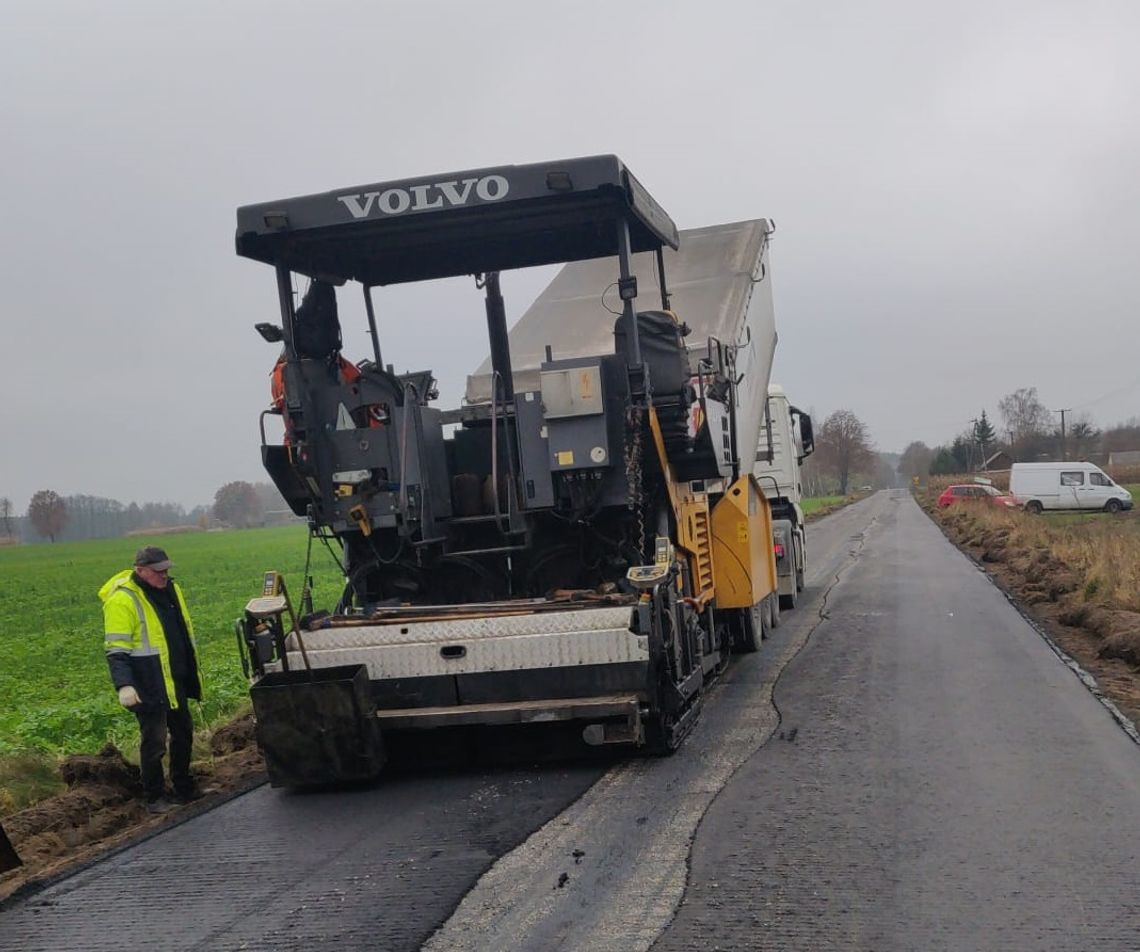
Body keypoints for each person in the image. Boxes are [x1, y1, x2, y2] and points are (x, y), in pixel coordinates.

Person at [99, 546, 204, 814]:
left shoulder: (172, 590)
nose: (164, 575)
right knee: (154, 741)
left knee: (183, 733)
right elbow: (116, 650)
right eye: (158, 571)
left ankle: (183, 787)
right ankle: (154, 796)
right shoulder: (123, 601)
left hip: (175, 678)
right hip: (148, 683)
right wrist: (124, 685)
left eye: (166, 570)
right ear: (140, 570)